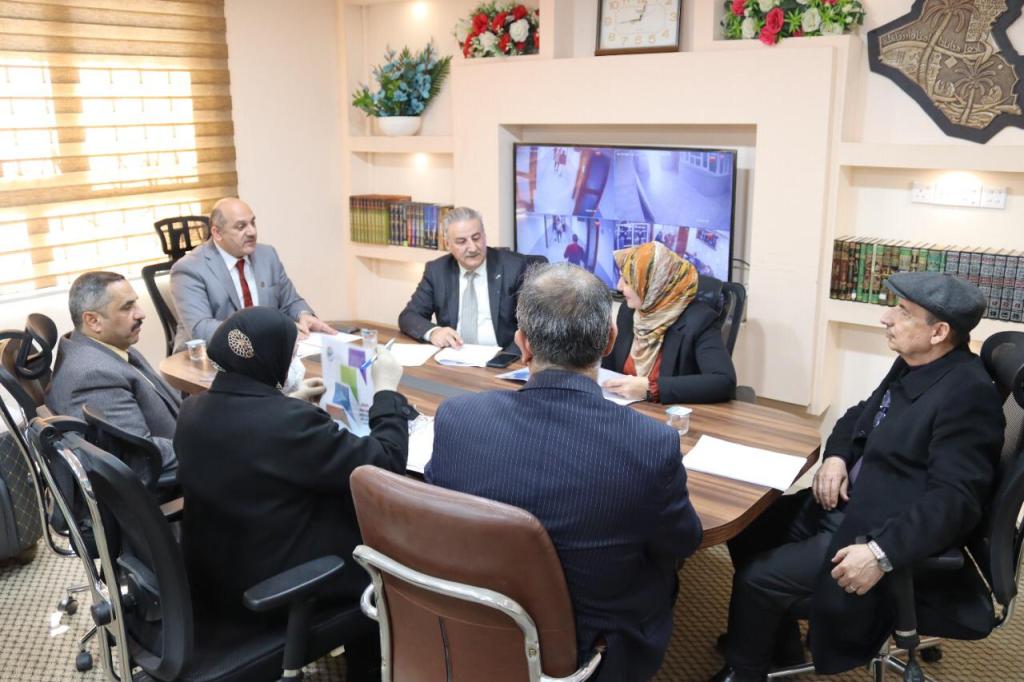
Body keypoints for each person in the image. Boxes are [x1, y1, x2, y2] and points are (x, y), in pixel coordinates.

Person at [712, 271, 1005, 682]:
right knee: (749, 526)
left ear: (938, 332)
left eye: (903, 312)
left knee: (758, 578)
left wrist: (881, 553)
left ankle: (746, 670)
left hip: (875, 529)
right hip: (849, 501)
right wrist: (836, 457)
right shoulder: (915, 363)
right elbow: (860, 414)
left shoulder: (966, 395)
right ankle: (777, 643)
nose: (887, 318)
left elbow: (956, 502)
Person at [426, 263, 702, 681]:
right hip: (587, 647)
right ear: (609, 340)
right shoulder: (650, 444)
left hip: (474, 622)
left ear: (523, 344)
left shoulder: (457, 419)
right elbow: (683, 541)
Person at [174, 307, 415, 681]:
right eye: (290, 355)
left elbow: (251, 440)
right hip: (277, 587)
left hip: (214, 574)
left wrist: (291, 402)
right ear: (272, 360)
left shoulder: (191, 409)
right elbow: (385, 464)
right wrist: (386, 391)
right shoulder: (287, 424)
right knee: (385, 543)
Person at [47, 271, 179, 471]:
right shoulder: (94, 375)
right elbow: (143, 456)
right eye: (127, 307)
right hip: (182, 475)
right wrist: (207, 445)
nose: (141, 313)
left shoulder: (105, 346)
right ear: (93, 321)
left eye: (135, 303)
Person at [170, 197, 337, 350]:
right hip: (206, 361)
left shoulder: (267, 256)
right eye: (241, 226)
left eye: (253, 223)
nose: (252, 232)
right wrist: (265, 332)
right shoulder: (189, 269)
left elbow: (291, 301)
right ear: (217, 233)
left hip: (264, 358)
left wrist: (303, 315)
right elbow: (202, 330)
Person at [602, 241, 736, 404]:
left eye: (628, 281)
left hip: (667, 414)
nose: (619, 286)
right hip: (623, 409)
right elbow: (608, 366)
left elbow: (724, 381)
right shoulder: (629, 311)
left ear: (654, 286)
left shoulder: (700, 321)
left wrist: (651, 389)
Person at [398, 206, 539, 353]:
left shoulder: (514, 267)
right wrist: (434, 332)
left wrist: (505, 359)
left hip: (502, 357)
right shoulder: (437, 271)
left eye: (476, 238)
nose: (472, 248)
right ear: (448, 244)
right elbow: (409, 316)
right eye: (461, 241)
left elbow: (533, 327)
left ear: (484, 235)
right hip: (453, 356)